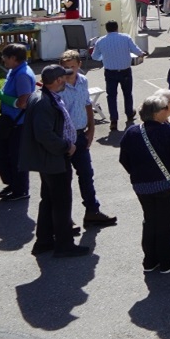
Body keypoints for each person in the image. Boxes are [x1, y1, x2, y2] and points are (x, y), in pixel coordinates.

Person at [118, 93, 170, 274]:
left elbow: (124, 159)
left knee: (150, 221)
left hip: (141, 186)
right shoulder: (168, 132)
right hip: (166, 185)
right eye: (165, 108)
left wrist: (137, 174)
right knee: (166, 223)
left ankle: (150, 261)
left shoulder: (132, 132)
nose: (168, 110)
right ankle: (167, 262)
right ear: (157, 112)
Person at [20, 65, 89, 257]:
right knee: (61, 202)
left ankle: (44, 241)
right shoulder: (44, 102)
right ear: (58, 80)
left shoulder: (42, 96)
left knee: (49, 200)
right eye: (64, 78)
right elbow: (44, 134)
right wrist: (67, 147)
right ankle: (64, 244)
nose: (66, 80)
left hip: (50, 159)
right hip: (54, 159)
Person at [58, 50, 117, 227]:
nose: (69, 71)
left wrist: (91, 129)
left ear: (79, 66)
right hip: (63, 139)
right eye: (65, 67)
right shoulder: (58, 85)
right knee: (63, 179)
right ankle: (64, 220)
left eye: (72, 67)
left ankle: (92, 211)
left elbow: (87, 104)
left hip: (80, 135)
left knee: (86, 175)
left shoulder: (83, 81)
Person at [0, 43, 35, 200]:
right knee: (0, 152)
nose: (3, 59)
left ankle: (21, 190)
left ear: (14, 58)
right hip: (9, 121)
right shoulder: (13, 71)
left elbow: (23, 102)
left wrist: (2, 97)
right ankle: (12, 184)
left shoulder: (22, 75)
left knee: (16, 156)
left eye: (5, 57)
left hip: (18, 123)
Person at [91, 20, 145, 132]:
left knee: (111, 96)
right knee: (127, 93)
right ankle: (129, 113)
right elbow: (137, 50)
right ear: (117, 28)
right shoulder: (125, 38)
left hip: (110, 71)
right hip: (125, 70)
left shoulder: (100, 41)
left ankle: (114, 120)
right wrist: (142, 54)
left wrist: (104, 57)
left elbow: (95, 57)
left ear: (106, 29)